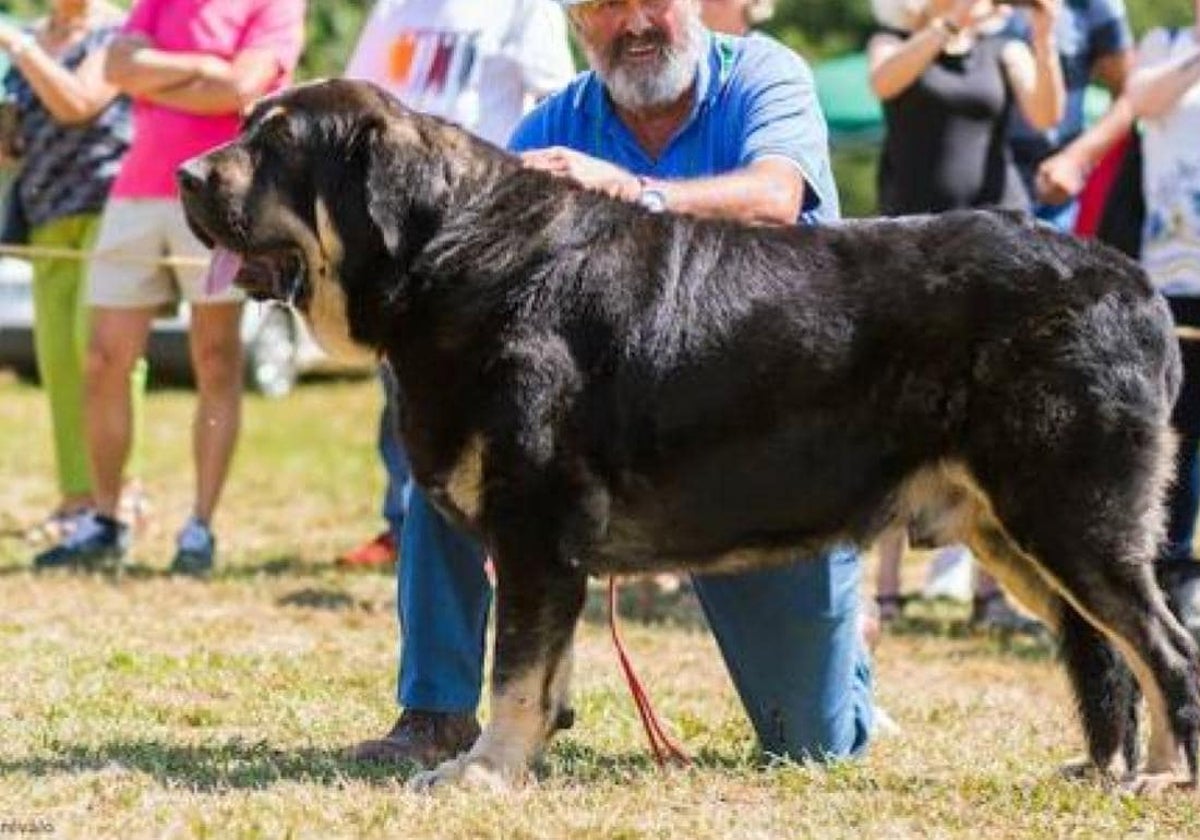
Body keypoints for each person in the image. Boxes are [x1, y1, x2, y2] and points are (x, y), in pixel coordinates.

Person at [352, 0, 874, 770]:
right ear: (575, 24)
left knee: (813, 747)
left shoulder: (766, 75)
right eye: (603, 6)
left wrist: (632, 193)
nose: (633, 22)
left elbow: (776, 199)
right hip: (609, 450)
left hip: (754, 450)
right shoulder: (545, 131)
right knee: (446, 452)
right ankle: (436, 711)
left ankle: (847, 672)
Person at [32, 0, 306, 576]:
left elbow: (242, 86)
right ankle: (105, 521)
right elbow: (118, 66)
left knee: (214, 358)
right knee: (105, 357)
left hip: (221, 194)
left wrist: (161, 75)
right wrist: (203, 70)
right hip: (135, 189)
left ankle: (199, 528)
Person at [336, 0, 577, 570]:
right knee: (403, 383)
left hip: (483, 225)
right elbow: (353, 99)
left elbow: (553, 98)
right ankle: (404, 524)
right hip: (396, 224)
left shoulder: (523, 8)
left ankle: (503, 529)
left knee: (486, 394)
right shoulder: (395, 8)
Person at [866, 0, 1063, 629]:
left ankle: (991, 591)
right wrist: (948, 23)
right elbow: (884, 82)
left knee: (995, 412)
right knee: (898, 414)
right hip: (910, 248)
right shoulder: (888, 42)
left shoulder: (1002, 49)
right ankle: (888, 588)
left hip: (993, 246)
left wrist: (1044, 32)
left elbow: (1047, 116)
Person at [0, 0, 150, 550]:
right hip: (46, 215)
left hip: (110, 209)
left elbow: (78, 103)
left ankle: (123, 493)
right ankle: (76, 496)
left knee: (105, 357)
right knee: (59, 363)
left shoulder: (120, 32)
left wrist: (20, 48)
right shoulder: (32, 39)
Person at [1128, 6, 1200, 642]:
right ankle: (1174, 574)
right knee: (1176, 432)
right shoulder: (1165, 44)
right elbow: (1143, 100)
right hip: (1174, 278)